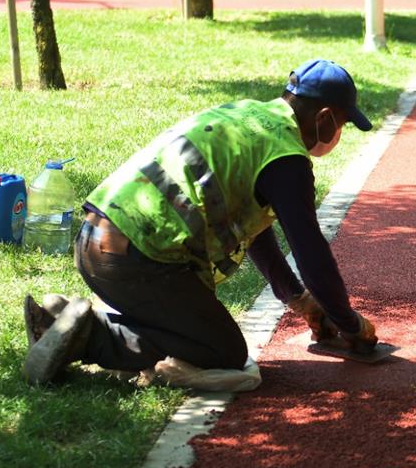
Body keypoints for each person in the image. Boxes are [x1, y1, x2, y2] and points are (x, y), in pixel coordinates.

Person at [23, 58, 379, 390]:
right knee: (222, 352)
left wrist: (301, 301)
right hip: (138, 258)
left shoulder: (245, 115)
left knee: (195, 332)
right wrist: (350, 325)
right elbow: (311, 254)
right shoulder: (287, 158)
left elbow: (257, 235)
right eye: (344, 124)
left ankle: (62, 319)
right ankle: (87, 334)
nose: (340, 133)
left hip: (94, 241)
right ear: (326, 118)